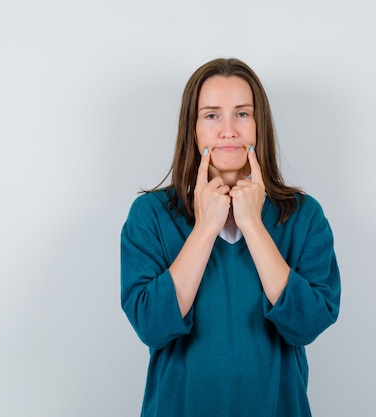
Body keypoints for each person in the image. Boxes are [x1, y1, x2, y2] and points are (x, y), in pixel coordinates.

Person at [120, 58, 341, 417]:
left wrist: (253, 225)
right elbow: (151, 325)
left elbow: (309, 323)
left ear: (259, 124)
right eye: (211, 115)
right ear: (192, 128)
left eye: (242, 114)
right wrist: (206, 226)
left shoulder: (304, 216)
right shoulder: (150, 216)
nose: (228, 130)